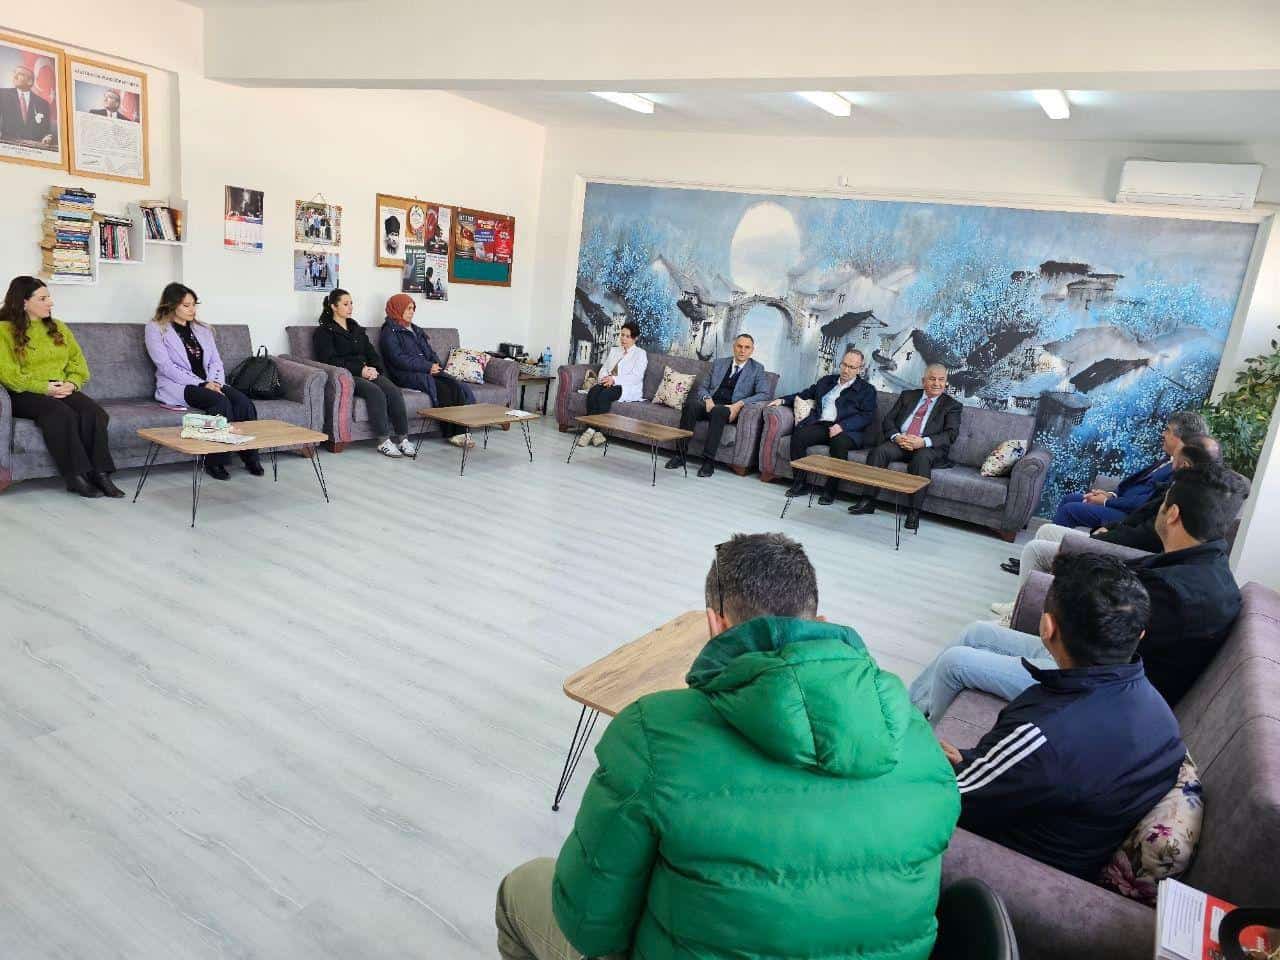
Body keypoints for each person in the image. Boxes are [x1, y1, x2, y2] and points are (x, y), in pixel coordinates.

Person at [495, 533, 960, 960]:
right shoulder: (919, 739)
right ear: (819, 621)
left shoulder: (651, 732)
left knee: (519, 889)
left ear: (715, 625)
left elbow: (589, 927)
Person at [910, 463, 1247, 720]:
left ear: (1172, 514)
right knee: (976, 632)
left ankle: (917, 745)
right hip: (1092, 665)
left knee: (956, 662)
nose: (1158, 507)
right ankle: (905, 714)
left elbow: (1105, 645)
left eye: (1163, 502)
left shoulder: (1177, 591)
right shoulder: (1205, 568)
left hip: (1095, 689)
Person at [937, 554, 1185, 880]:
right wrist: (976, 764)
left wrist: (931, 759)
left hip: (1011, 862)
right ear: (1139, 635)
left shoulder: (1045, 731)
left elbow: (953, 796)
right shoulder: (1161, 716)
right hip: (1073, 840)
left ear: (1047, 627)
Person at [989, 434, 1223, 618]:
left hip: (1123, 547)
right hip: (1120, 528)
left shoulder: (1182, 498)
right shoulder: (1178, 485)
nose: (1172, 464)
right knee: (1045, 530)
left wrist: (1105, 534)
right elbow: (1140, 515)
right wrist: (1111, 521)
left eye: (1177, 461)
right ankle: (1024, 600)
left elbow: (1145, 532)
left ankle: (1022, 610)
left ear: (1185, 464)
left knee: (1036, 549)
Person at [0, 276, 121, 497]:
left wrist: (72, 383)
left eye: (49, 297)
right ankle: (75, 477)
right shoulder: (3, 330)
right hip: (22, 392)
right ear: (24, 302)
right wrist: (44, 388)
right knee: (60, 414)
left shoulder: (58, 327)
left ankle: (100, 474)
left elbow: (77, 362)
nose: (51, 302)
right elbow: (8, 374)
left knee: (94, 413)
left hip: (60, 387)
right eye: (43, 298)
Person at [144, 282, 263, 481]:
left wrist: (215, 382)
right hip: (179, 385)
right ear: (172, 305)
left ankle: (250, 455)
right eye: (186, 305)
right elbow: (165, 366)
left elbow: (216, 361)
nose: (192, 309)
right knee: (219, 402)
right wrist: (202, 384)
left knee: (243, 402)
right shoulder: (155, 329)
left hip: (210, 382)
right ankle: (215, 461)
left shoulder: (202, 329)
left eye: (194, 304)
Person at [848, 363, 961, 530]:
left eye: (941, 380)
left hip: (927, 447)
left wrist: (923, 442)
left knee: (921, 459)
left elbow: (950, 434)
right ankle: (868, 501)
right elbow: (889, 420)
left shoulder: (952, 405)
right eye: (932, 379)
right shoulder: (908, 396)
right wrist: (897, 437)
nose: (937, 383)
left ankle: (914, 512)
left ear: (946, 382)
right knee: (879, 452)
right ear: (923, 381)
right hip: (901, 441)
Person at [1050, 411, 1207, 529]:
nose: (1163, 434)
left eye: (1167, 430)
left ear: (1181, 438)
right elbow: (1134, 486)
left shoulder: (1181, 469)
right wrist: (1110, 494)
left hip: (1131, 517)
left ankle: (1053, 558)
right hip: (1121, 504)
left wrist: (1106, 502)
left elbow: (1146, 503)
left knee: (1070, 510)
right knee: (1070, 498)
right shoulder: (1167, 459)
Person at [313, 289, 413, 458]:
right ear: (334, 307)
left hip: (367, 371)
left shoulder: (356, 329)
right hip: (347, 376)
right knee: (375, 392)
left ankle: (403, 439)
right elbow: (329, 360)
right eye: (346, 304)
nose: (350, 307)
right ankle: (383, 442)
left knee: (393, 390)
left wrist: (374, 369)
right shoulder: (324, 332)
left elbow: (372, 353)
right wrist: (360, 370)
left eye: (351, 303)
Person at [769, 347, 877, 503]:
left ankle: (830, 490)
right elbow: (804, 394)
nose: (846, 370)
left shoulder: (867, 390)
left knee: (839, 443)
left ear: (860, 369)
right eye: (844, 365)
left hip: (848, 431)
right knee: (800, 435)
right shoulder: (826, 381)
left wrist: (842, 426)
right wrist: (783, 400)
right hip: (822, 425)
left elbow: (867, 416)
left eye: (851, 367)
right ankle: (800, 483)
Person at [665, 333, 770, 477]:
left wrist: (739, 404)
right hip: (711, 403)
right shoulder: (719, 363)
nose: (742, 350)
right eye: (739, 346)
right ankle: (680, 455)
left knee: (718, 411)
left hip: (730, 409)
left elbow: (764, 394)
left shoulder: (757, 368)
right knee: (691, 406)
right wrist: (707, 399)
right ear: (734, 347)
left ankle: (708, 461)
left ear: (752, 350)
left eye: (747, 347)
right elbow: (703, 387)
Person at [378, 293, 475, 448]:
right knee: (442, 389)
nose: (412, 312)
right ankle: (452, 433)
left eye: (413, 309)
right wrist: (427, 367)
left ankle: (462, 430)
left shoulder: (415, 329)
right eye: (408, 308)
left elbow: (429, 352)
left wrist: (435, 364)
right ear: (397, 309)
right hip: (404, 374)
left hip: (425, 370)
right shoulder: (389, 332)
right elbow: (398, 359)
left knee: (454, 386)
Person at [578, 321, 646, 448]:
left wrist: (614, 380)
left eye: (627, 336)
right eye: (622, 335)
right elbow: (604, 368)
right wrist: (605, 378)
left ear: (635, 338)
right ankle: (597, 433)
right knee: (593, 391)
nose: (623, 339)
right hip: (608, 382)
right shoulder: (615, 350)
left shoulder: (640, 354)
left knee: (604, 395)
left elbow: (636, 377)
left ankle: (590, 430)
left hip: (626, 387)